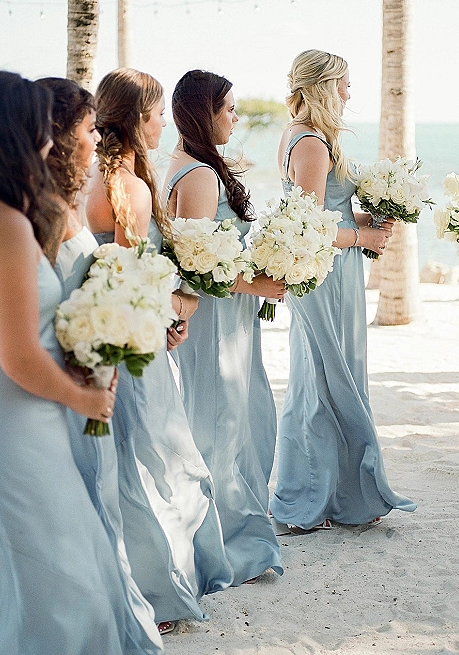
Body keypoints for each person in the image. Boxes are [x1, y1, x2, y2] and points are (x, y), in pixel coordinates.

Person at [0, 70, 129, 655]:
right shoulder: (1, 224)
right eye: (39, 131)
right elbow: (19, 357)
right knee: (63, 580)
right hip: (18, 419)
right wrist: (87, 398)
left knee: (14, 574)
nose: (45, 144)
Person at [85, 67, 233, 632]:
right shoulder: (131, 186)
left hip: (97, 334)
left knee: (119, 460)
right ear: (138, 119)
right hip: (133, 340)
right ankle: (158, 594)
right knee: (153, 461)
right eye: (155, 116)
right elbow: (134, 276)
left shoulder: (87, 179)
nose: (162, 125)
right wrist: (175, 312)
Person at [269, 49, 417, 531]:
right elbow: (310, 226)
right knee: (324, 382)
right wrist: (364, 237)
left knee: (328, 378)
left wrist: (363, 221)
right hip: (326, 275)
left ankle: (334, 495)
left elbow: (319, 211)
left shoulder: (300, 135)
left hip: (332, 270)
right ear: (322, 87)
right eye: (344, 84)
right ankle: (315, 500)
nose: (349, 94)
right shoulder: (312, 143)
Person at [40, 76, 163, 654]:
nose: (95, 140)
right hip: (77, 367)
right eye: (85, 130)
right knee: (107, 477)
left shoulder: (65, 197)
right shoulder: (109, 193)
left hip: (86, 357)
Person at [165, 69, 284, 586]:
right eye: (229, 108)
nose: (235, 116)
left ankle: (232, 540)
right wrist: (255, 285)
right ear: (204, 112)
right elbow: (197, 264)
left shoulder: (191, 163)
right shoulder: (198, 174)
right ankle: (224, 551)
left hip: (228, 319)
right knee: (221, 429)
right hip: (214, 322)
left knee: (237, 422)